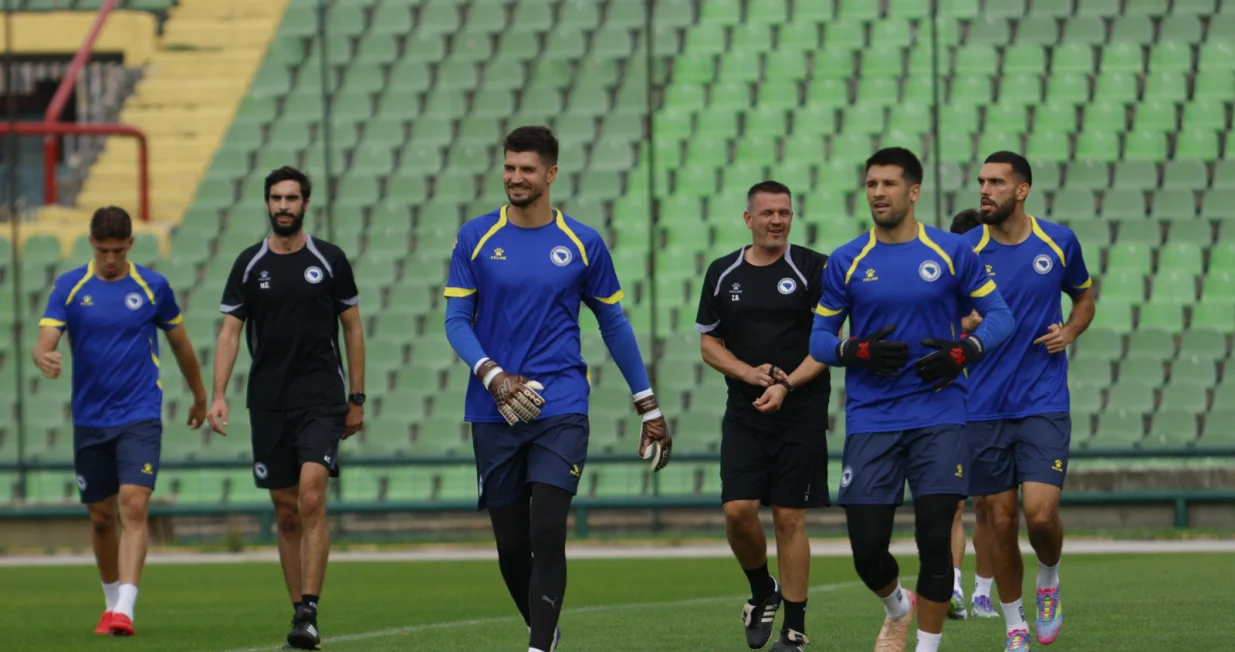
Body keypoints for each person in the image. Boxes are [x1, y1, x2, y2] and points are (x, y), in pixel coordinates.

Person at [443, 125, 672, 652]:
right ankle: (543, 625)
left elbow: (614, 324)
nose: (515, 177)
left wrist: (647, 405)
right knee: (510, 548)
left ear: (551, 174)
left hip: (561, 404)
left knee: (547, 530)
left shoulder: (583, 243)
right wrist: (492, 374)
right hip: (492, 407)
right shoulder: (475, 237)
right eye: (509, 167)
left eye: (526, 169)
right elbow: (456, 320)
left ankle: (539, 646)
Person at [807, 147, 1015, 652]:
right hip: (872, 419)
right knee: (867, 550)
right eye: (871, 184)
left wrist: (965, 351)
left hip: (939, 413)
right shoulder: (847, 259)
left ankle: (926, 647)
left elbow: (1001, 317)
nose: (878, 193)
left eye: (889, 184)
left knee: (934, 540)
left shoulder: (951, 252)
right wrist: (853, 350)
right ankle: (898, 607)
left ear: (914, 191)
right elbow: (818, 341)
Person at [208, 166, 367, 650]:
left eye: (291, 198)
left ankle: (310, 609)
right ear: (267, 203)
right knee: (285, 511)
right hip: (268, 402)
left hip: (321, 399)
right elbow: (229, 334)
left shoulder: (329, 260)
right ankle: (299, 613)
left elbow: (353, 329)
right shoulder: (248, 264)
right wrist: (218, 393)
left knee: (311, 497)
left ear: (305, 204)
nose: (283, 206)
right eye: (276, 198)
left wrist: (356, 397)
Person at [33, 206, 208, 636]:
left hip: (139, 412)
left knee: (133, 502)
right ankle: (111, 603)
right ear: (91, 244)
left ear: (131, 244)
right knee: (100, 516)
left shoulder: (153, 287)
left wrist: (200, 395)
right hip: (91, 417)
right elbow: (44, 341)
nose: (110, 259)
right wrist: (43, 356)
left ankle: (125, 609)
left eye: (118, 250)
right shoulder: (70, 286)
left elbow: (181, 344)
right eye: (103, 250)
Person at [963, 151, 1095, 651]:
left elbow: (1084, 299)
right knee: (999, 521)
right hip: (983, 404)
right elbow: (943, 315)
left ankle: (1049, 577)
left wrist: (1070, 331)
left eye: (996, 182)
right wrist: (965, 324)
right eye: (982, 181)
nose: (985, 190)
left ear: (1022, 190)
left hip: (1042, 398)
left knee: (1039, 514)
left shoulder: (1058, 242)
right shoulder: (965, 249)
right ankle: (1015, 624)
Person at [695, 181, 830, 652]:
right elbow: (709, 344)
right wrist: (749, 374)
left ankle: (795, 630)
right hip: (745, 411)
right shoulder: (722, 272)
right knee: (738, 513)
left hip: (801, 411)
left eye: (785, 213)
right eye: (768, 213)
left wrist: (786, 385)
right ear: (748, 218)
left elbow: (826, 343)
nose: (777, 221)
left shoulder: (813, 268)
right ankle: (762, 590)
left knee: (789, 517)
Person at [945, 208, 999, 622]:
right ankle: (954, 587)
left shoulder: (997, 289)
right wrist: (963, 323)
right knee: (951, 503)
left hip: (995, 408)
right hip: (955, 409)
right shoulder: (945, 286)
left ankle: (983, 592)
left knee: (990, 506)